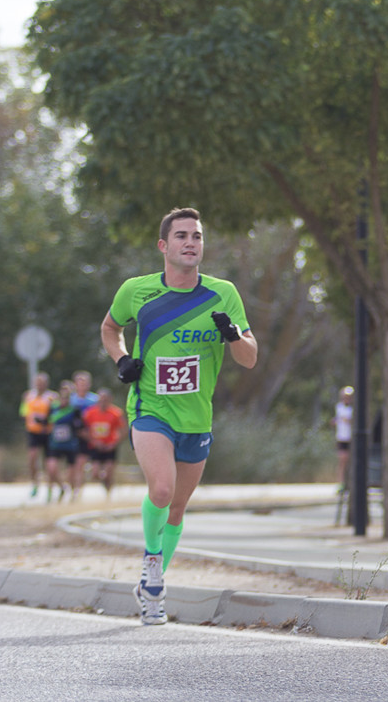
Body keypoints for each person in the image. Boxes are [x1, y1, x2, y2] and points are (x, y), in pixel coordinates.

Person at [100, 206, 258, 625]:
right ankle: (152, 566)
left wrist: (233, 336)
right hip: (150, 408)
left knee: (177, 509)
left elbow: (249, 358)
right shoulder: (137, 291)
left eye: (197, 236)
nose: (191, 242)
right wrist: (121, 359)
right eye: (182, 236)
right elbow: (110, 328)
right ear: (163, 245)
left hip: (196, 418)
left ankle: (151, 584)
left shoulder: (223, 294)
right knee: (162, 489)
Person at [82, 387, 126, 498]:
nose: (103, 402)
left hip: (109, 447)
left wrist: (114, 443)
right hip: (95, 447)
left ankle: (108, 494)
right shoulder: (90, 413)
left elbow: (123, 430)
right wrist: (93, 441)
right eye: (101, 400)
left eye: (105, 400)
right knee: (95, 473)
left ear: (110, 400)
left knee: (108, 473)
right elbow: (84, 429)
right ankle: (104, 483)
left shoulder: (116, 413)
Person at [20, 372, 56, 498]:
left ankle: (50, 488)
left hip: (47, 433)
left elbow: (55, 414)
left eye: (42, 383)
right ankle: (35, 483)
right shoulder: (28, 396)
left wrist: (46, 421)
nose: (40, 385)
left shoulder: (52, 397)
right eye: (38, 383)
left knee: (49, 464)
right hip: (33, 432)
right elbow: (23, 412)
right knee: (32, 458)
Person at [44, 383, 82, 503]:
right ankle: (60, 488)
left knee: (70, 474)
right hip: (55, 444)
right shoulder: (53, 408)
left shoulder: (74, 410)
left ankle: (73, 495)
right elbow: (46, 421)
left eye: (67, 397)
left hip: (70, 445)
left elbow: (80, 426)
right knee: (51, 469)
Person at [68, 370, 99, 499]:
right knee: (75, 464)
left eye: (85, 383)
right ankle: (75, 489)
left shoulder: (94, 400)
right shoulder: (71, 400)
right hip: (73, 435)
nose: (82, 386)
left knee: (83, 463)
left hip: (89, 435)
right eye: (80, 383)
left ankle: (79, 489)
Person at [332, 386, 354, 491]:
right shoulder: (339, 407)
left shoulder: (353, 409)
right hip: (342, 438)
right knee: (342, 460)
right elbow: (337, 419)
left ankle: (350, 482)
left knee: (350, 461)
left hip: (351, 438)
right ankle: (341, 483)